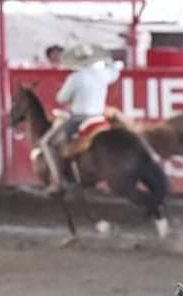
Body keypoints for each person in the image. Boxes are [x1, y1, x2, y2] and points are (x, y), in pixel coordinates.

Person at [38, 43, 122, 193]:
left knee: (47, 143)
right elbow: (115, 71)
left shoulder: (75, 78)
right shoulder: (103, 74)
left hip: (78, 119)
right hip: (99, 118)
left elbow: (61, 98)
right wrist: (109, 62)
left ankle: (58, 182)